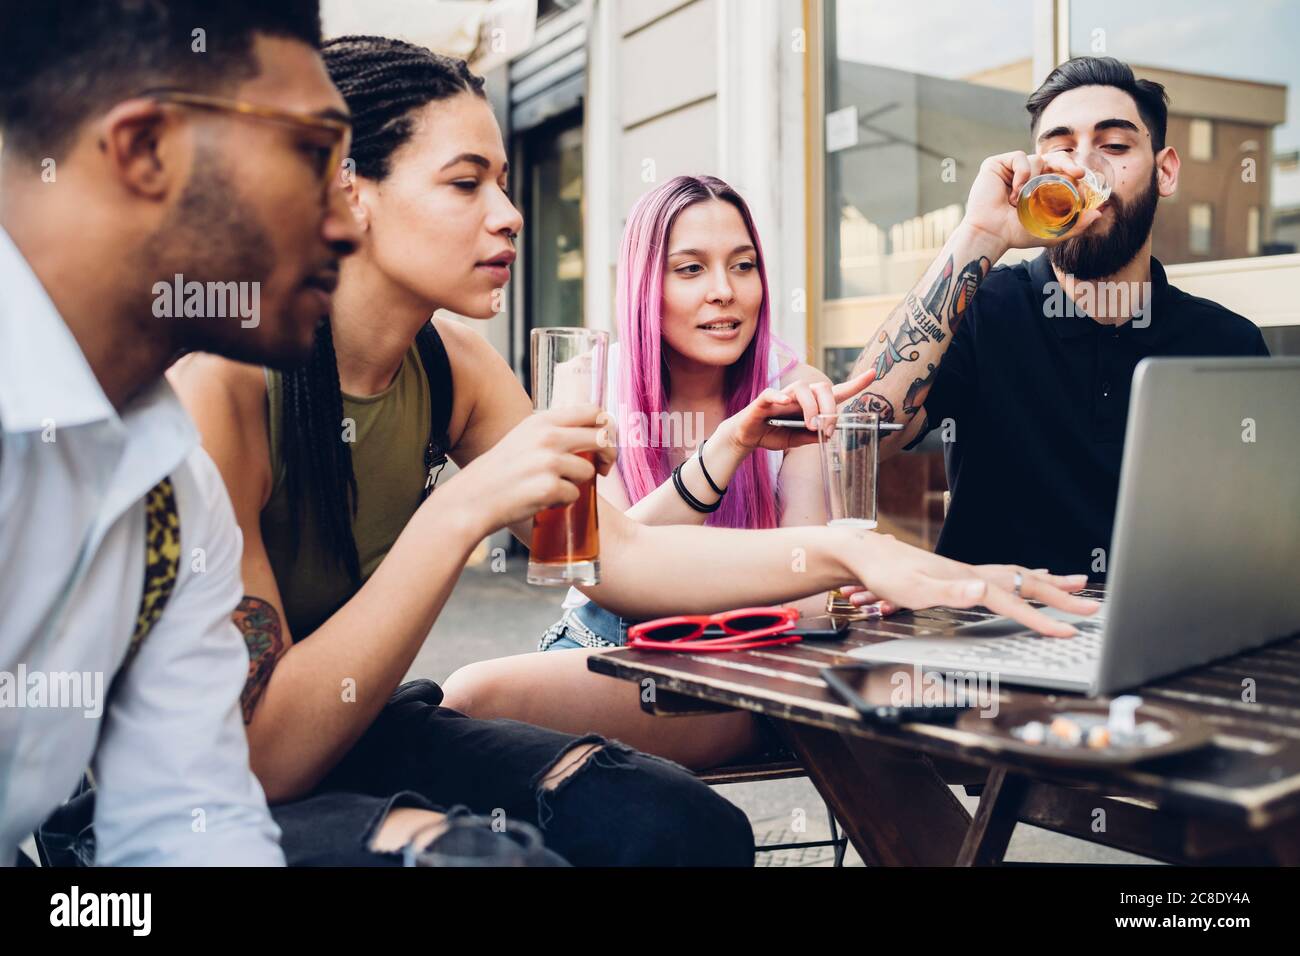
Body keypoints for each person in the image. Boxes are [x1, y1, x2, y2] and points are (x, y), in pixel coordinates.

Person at [170, 33, 1094, 862]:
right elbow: (266, 757)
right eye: (466, 183)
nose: (510, 213)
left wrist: (858, 547)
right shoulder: (225, 379)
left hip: (369, 730)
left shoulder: (456, 369)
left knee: (681, 827)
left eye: (502, 179)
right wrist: (459, 510)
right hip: (203, 786)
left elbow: (621, 556)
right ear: (347, 191)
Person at [0, 0, 357, 865]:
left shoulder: (173, 490)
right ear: (145, 147)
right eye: (313, 153)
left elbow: (185, 828)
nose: (348, 224)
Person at [838, 56, 1270, 591]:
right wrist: (978, 235)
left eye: (1114, 146)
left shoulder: (1226, 343)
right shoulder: (979, 309)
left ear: (1165, 170)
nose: (1085, 168)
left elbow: (1255, 543)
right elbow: (856, 439)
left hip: (1160, 647)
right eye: (1061, 148)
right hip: (984, 645)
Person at [538, 173, 879, 654]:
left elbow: (807, 595)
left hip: (752, 653)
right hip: (603, 645)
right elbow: (602, 569)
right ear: (644, 286)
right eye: (690, 269)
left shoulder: (796, 389)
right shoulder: (587, 382)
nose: (724, 291)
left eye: (743, 265)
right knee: (472, 694)